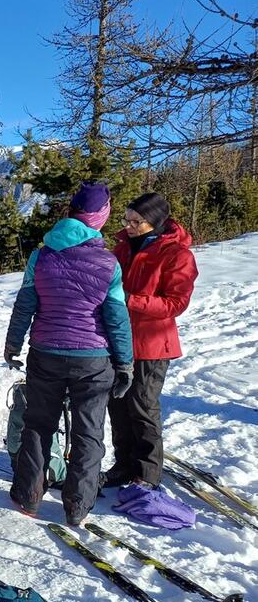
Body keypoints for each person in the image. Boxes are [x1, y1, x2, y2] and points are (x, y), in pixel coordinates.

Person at [4, 182, 133, 526]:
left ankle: (28, 495)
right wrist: (124, 363)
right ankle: (77, 507)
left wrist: (13, 343)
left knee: (38, 425)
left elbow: (25, 303)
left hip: (45, 352)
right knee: (88, 432)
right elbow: (117, 317)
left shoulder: (41, 255)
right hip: (92, 359)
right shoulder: (108, 263)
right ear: (100, 217)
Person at [104, 193, 198, 489]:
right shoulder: (120, 249)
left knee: (142, 406)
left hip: (153, 345)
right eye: (127, 220)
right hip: (118, 342)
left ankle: (147, 474)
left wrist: (131, 300)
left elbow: (175, 304)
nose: (129, 226)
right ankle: (123, 464)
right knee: (117, 406)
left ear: (155, 222)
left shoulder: (177, 255)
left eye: (137, 222)